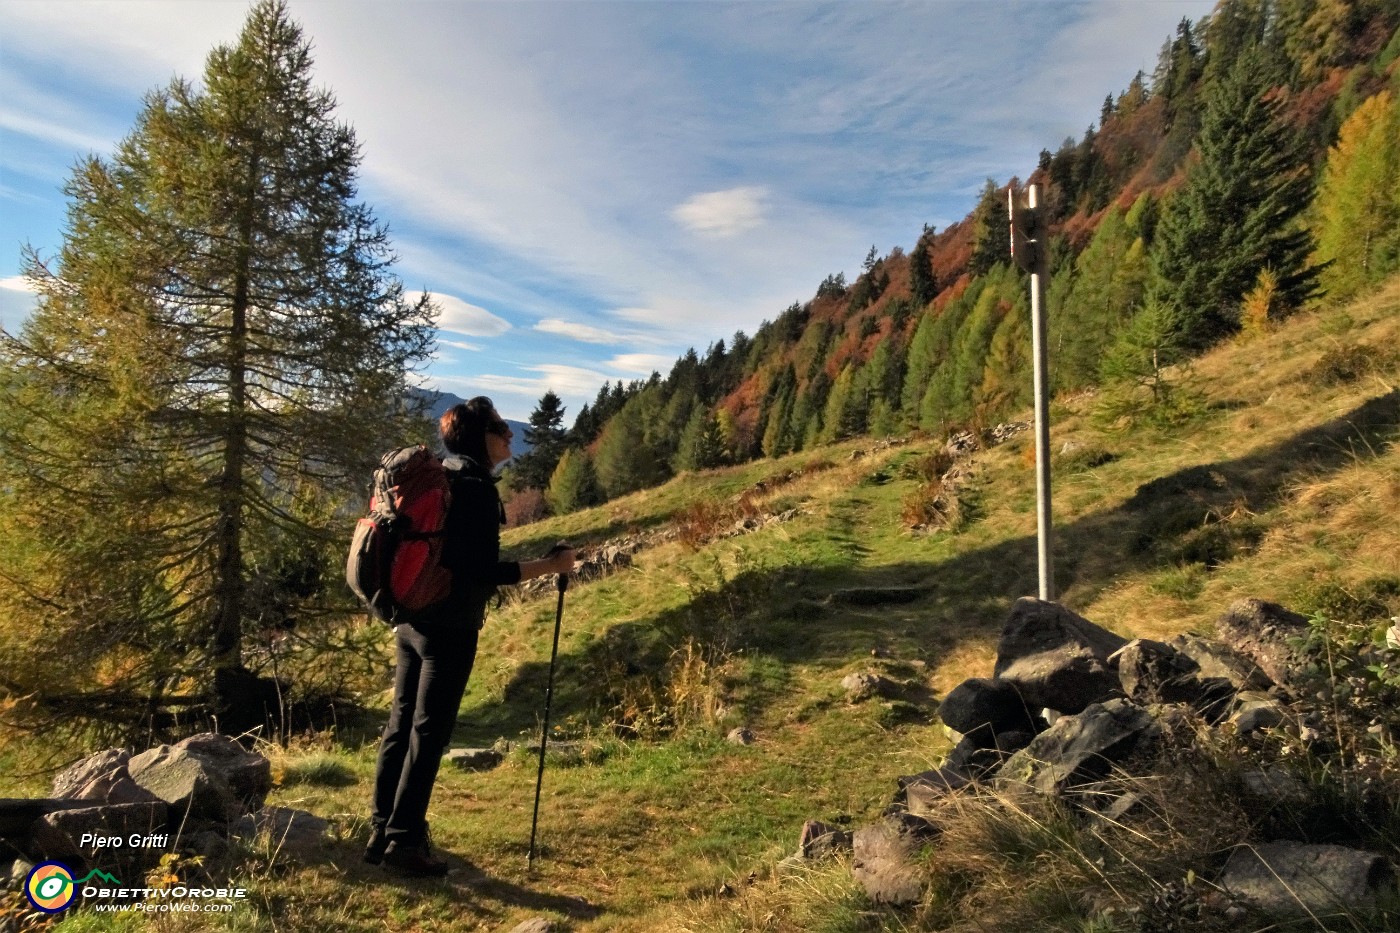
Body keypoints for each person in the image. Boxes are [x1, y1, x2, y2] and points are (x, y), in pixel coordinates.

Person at [366, 396, 576, 876]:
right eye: (502, 429)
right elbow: (480, 570)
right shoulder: (476, 489)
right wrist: (552, 565)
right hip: (450, 627)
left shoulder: (442, 475)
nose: (509, 436)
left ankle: (383, 828)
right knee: (428, 732)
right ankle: (405, 843)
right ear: (483, 437)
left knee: (402, 725)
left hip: (411, 618)